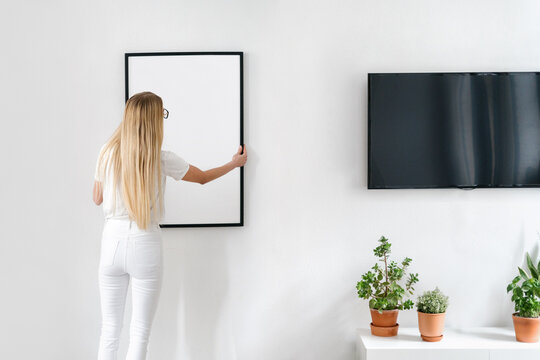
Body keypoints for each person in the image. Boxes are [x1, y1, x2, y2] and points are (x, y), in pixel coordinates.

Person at [92, 91, 247, 360]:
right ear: (154, 121)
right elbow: (203, 178)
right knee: (140, 333)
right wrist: (234, 164)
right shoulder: (162, 158)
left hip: (111, 243)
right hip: (145, 242)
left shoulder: (107, 153)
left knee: (109, 330)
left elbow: (97, 198)